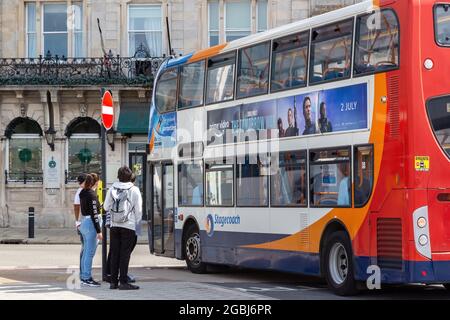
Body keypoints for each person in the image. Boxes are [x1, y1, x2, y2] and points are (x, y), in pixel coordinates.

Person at [104, 166, 142, 290]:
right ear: (130, 177)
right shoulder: (134, 189)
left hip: (115, 225)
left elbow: (105, 207)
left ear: (118, 176)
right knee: (125, 254)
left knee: (115, 253)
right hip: (128, 226)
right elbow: (139, 210)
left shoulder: (112, 188)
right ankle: (123, 282)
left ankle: (113, 282)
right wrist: (138, 227)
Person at [79, 174, 103, 287]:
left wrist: (99, 206)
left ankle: (83, 276)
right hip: (91, 225)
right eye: (97, 181)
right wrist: (99, 231)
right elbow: (94, 214)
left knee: (85, 252)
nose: (99, 183)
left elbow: (90, 209)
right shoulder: (92, 195)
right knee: (89, 253)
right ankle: (87, 277)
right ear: (95, 183)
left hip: (85, 222)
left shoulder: (83, 192)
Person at [74, 173, 86, 278]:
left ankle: (83, 271)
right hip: (82, 222)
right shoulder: (80, 192)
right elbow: (76, 207)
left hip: (82, 222)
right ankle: (83, 271)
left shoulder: (82, 191)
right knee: (84, 247)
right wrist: (77, 222)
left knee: (85, 247)